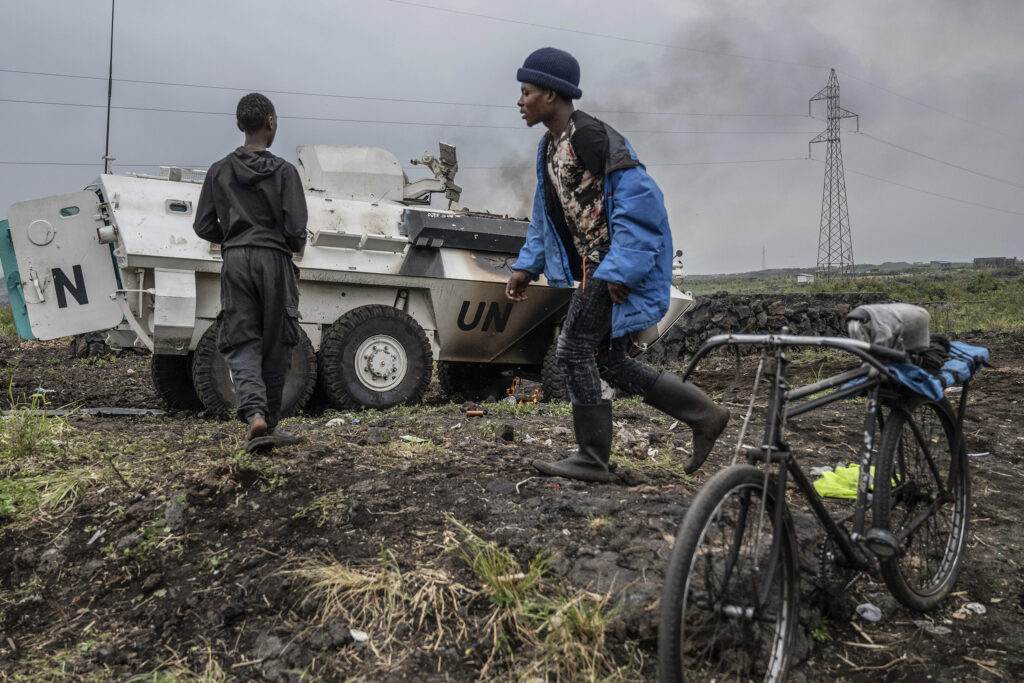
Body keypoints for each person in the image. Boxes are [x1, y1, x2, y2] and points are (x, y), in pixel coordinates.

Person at [506, 48, 729, 482]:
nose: (520, 100)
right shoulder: (550, 146)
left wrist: (622, 270)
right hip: (596, 266)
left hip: (609, 266)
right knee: (609, 361)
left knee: (572, 350)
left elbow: (641, 198)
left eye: (526, 91)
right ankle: (704, 415)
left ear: (550, 95)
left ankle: (592, 458)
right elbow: (547, 211)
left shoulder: (590, 136)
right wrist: (527, 265)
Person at [193, 92, 308, 452]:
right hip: (274, 259)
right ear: (270, 122)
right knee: (278, 341)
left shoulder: (219, 170)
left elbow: (202, 226)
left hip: (237, 259)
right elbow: (296, 230)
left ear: (241, 125)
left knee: (241, 340)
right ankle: (269, 423)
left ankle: (256, 418)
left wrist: (232, 237)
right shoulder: (286, 172)